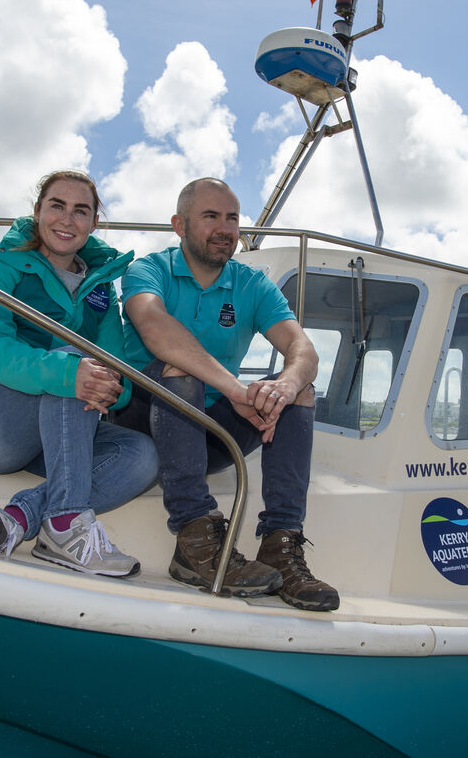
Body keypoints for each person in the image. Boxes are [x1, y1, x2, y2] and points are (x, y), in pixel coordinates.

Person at [118, 177, 338, 611]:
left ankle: (281, 544)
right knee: (180, 368)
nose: (225, 228)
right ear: (179, 225)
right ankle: (195, 539)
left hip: (204, 433)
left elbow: (303, 348)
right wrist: (235, 389)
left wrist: (285, 385)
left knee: (299, 392)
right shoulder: (149, 270)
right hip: (139, 421)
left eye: (232, 218)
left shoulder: (251, 284)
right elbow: (154, 327)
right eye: (211, 216)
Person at [0, 170, 157, 577]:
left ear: (94, 223)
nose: (67, 219)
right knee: (75, 360)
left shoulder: (101, 286)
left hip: (52, 433)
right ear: (38, 211)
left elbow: (119, 371)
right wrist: (69, 373)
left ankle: (19, 520)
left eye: (81, 211)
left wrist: (112, 389)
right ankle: (65, 524)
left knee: (142, 456)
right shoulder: (3, 264)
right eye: (57, 206)